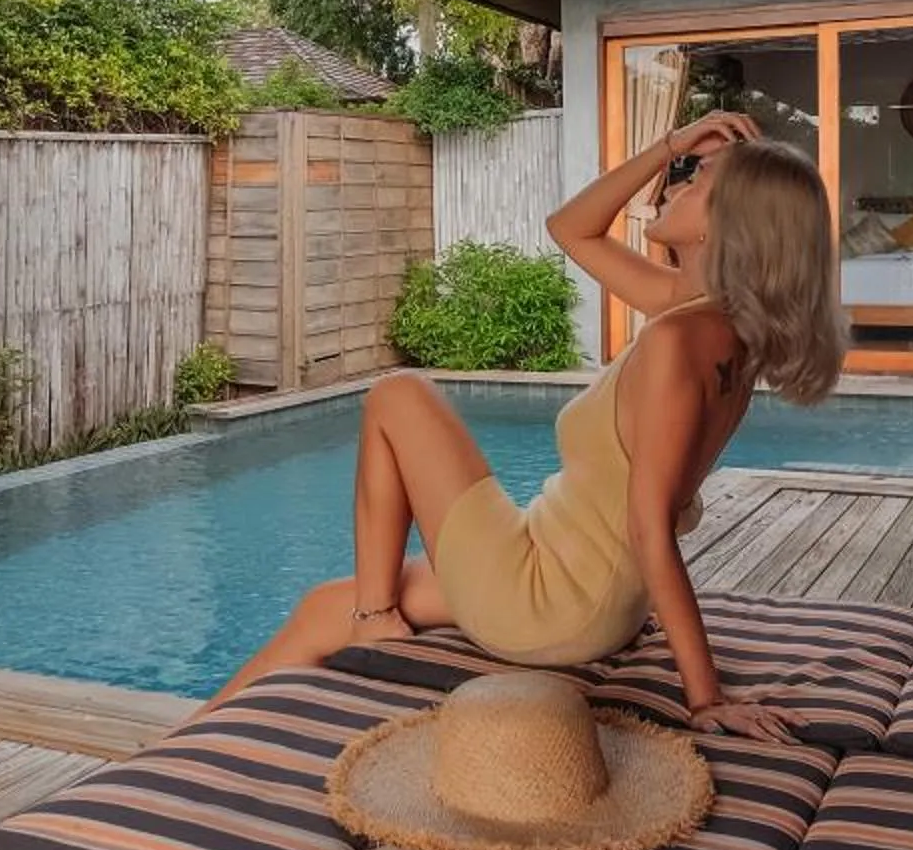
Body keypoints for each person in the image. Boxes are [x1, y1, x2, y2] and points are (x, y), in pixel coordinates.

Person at [211, 111, 848, 740]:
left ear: (723, 226)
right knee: (324, 606)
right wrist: (670, 143)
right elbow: (571, 228)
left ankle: (375, 620)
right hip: (579, 585)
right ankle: (192, 737)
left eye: (697, 179)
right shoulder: (710, 322)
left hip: (551, 602)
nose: (675, 182)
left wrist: (705, 698)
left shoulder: (678, 341)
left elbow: (648, 524)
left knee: (397, 393)